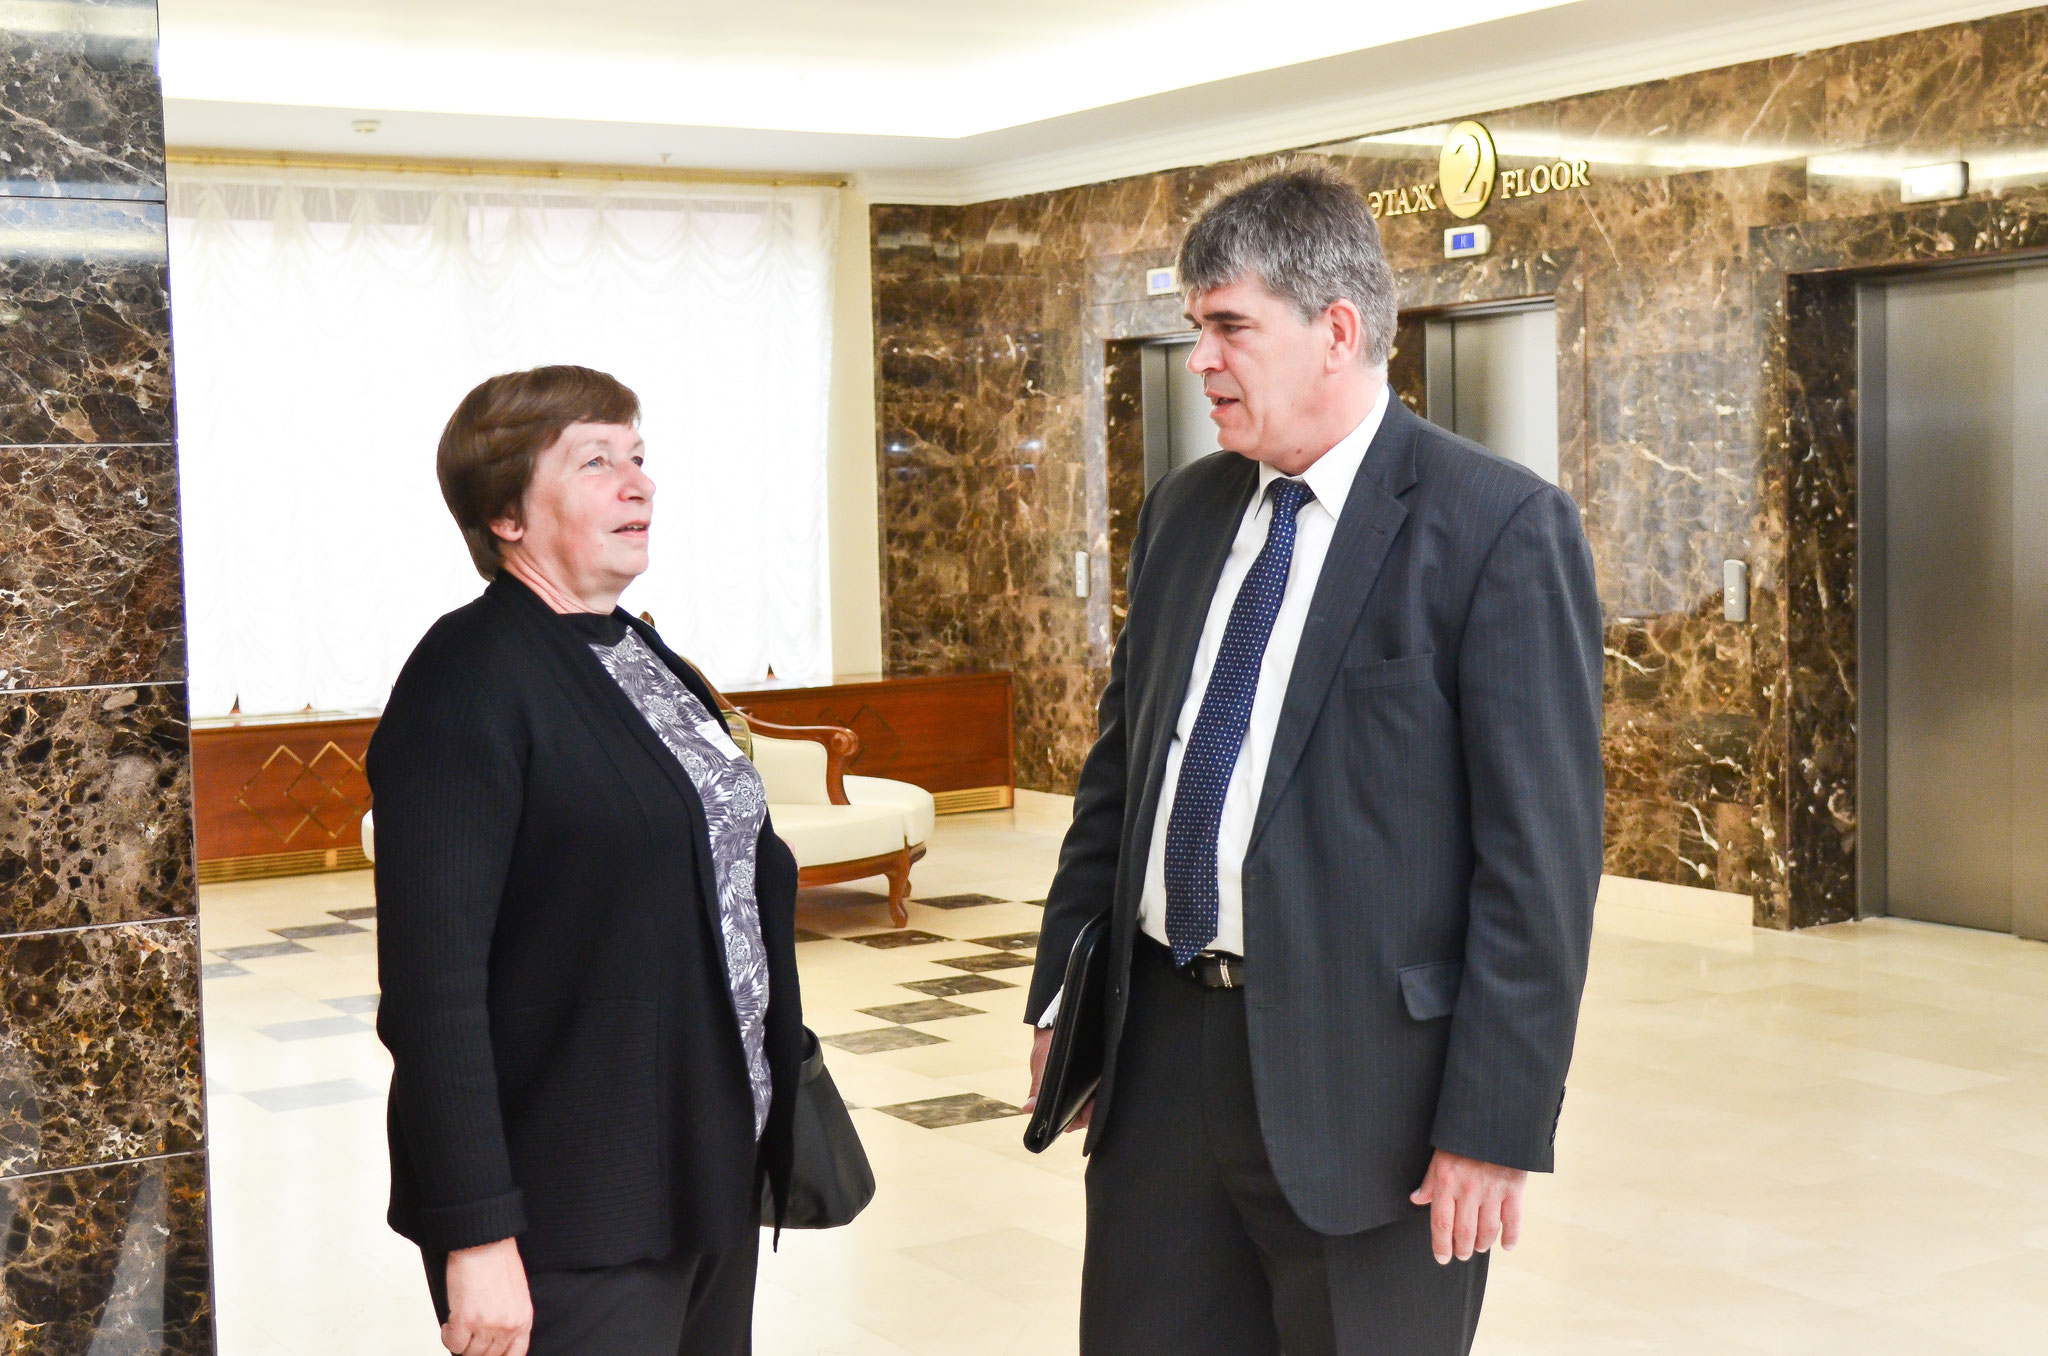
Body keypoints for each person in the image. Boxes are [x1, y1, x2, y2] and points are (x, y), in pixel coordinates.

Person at [1021, 162, 1604, 1355]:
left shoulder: (1493, 527)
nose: (1200, 360)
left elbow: (1537, 866)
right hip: (1158, 1061)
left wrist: (1491, 1121)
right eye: (1195, 328)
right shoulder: (1183, 512)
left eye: (1229, 326)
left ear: (1336, 330)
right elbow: (1120, 782)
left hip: (1370, 1099)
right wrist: (1064, 996)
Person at [367, 365, 804, 1356]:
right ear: (505, 514)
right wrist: (476, 1232)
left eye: (638, 456)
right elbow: (432, 993)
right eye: (595, 461)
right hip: (571, 1209)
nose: (638, 483)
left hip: (702, 1172)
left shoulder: (637, 653)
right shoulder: (466, 677)